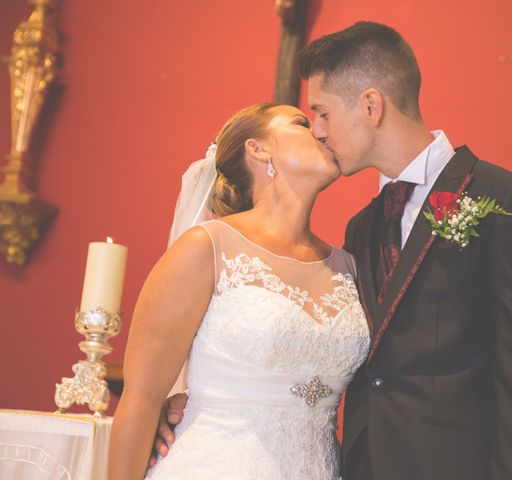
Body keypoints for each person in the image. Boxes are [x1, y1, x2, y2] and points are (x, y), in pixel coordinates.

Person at [154, 21, 512, 480]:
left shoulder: (509, 202)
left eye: (323, 113)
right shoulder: (363, 228)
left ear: (371, 105)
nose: (318, 131)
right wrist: (196, 401)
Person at [108, 103, 371, 480]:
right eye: (301, 122)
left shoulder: (349, 265)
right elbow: (141, 397)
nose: (319, 131)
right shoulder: (207, 247)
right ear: (258, 149)